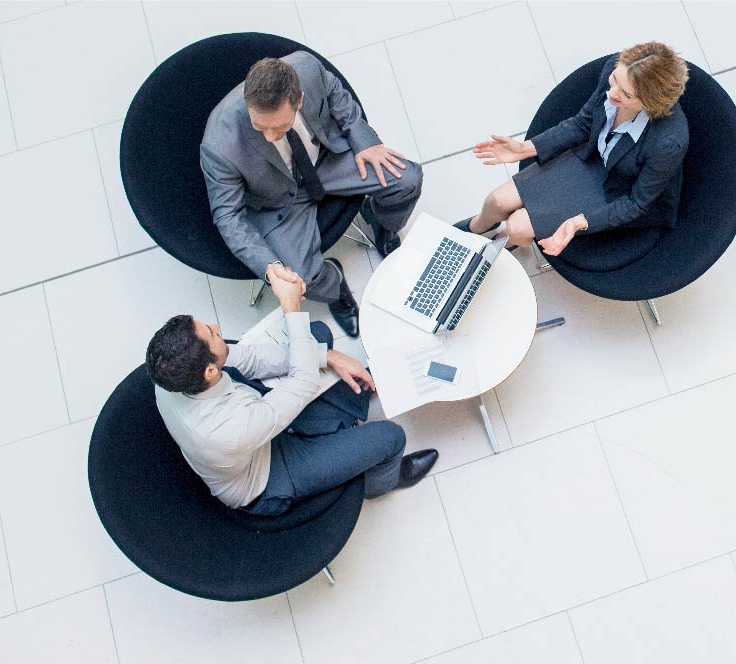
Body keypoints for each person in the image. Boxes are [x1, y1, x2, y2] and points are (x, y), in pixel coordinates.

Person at [146, 263, 438, 516]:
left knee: (316, 338)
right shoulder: (230, 431)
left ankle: (347, 410)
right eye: (211, 333)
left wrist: (327, 355)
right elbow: (303, 382)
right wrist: (291, 307)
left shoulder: (171, 379)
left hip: (249, 426)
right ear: (210, 371)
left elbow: (245, 359)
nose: (216, 325)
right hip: (267, 475)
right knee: (391, 437)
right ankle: (378, 483)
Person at [201, 53, 424, 338]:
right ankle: (336, 286)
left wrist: (365, 140)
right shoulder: (218, 146)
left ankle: (381, 221)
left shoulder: (307, 68)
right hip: (277, 199)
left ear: (300, 100)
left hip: (326, 161)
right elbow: (227, 216)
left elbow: (335, 94)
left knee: (407, 180)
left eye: (280, 127)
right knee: (303, 277)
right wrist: (271, 270)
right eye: (260, 127)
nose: (270, 136)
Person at [457, 42, 689, 257]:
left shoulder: (667, 143)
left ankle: (493, 249)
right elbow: (583, 124)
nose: (612, 93)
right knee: (497, 200)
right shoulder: (616, 72)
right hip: (592, 158)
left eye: (626, 94)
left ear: (651, 104)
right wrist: (525, 149)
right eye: (614, 79)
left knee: (517, 227)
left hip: (620, 190)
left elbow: (636, 203)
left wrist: (580, 221)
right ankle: (476, 227)